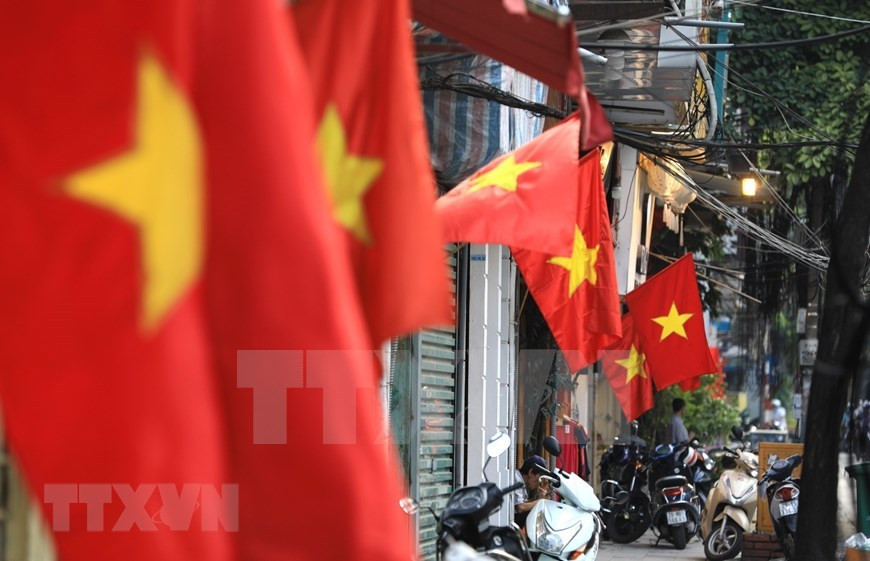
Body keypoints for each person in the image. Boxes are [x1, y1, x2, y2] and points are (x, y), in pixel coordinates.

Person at [514, 455, 552, 527]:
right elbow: (520, 507)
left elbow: (522, 503)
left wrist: (536, 498)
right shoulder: (516, 478)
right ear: (530, 472)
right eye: (539, 478)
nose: (539, 482)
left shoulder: (521, 482)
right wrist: (541, 501)